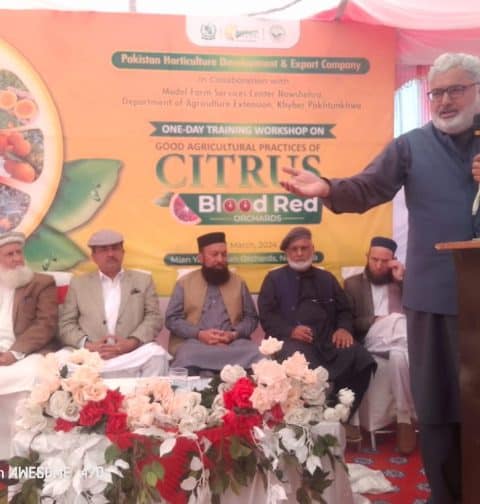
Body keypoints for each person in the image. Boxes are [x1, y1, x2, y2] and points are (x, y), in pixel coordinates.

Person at [281, 52, 480, 504]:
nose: (444, 101)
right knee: (437, 405)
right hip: (432, 300)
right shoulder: (411, 146)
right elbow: (367, 186)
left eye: (455, 90)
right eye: (436, 93)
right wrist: (328, 188)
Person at [257, 226, 376, 442]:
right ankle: (308, 425)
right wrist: (290, 330)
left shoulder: (326, 278)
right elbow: (267, 316)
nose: (300, 253)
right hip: (292, 341)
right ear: (287, 253)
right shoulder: (274, 279)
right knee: (299, 362)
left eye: (304, 248)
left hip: (327, 339)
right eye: (294, 249)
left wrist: (343, 328)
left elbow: (344, 310)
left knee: (361, 358)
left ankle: (340, 415)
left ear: (313, 249)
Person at [59, 229, 167, 377]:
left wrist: (131, 343)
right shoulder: (79, 284)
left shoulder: (143, 280)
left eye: (115, 248)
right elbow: (66, 324)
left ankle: (146, 392)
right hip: (91, 356)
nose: (110, 254)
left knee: (157, 354)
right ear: (94, 257)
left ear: (122, 252)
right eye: (104, 250)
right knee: (59, 360)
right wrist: (89, 346)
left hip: (130, 354)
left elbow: (154, 317)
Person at [343, 236, 416, 455]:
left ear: (393, 261)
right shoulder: (353, 284)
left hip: (399, 343)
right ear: (367, 257)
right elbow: (350, 322)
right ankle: (409, 417)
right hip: (372, 339)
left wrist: (402, 280)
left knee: (398, 355)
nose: (378, 265)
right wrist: (375, 320)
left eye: (384, 261)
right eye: (374, 259)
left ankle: (404, 419)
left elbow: (418, 311)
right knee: (397, 319)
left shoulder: (402, 281)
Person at [165, 231, 262, 375]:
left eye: (224, 254)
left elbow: (251, 318)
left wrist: (233, 334)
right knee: (186, 356)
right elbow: (172, 319)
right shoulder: (184, 283)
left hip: (233, 345)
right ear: (200, 257)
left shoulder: (238, 282)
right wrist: (199, 334)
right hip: (195, 344)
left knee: (257, 355)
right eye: (214, 255)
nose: (220, 259)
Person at [0, 231, 58, 459]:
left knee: (29, 376)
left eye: (18, 253)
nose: (16, 258)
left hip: (27, 351)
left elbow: (46, 324)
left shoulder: (41, 283)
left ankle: (21, 454)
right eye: (9, 255)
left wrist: (14, 353)